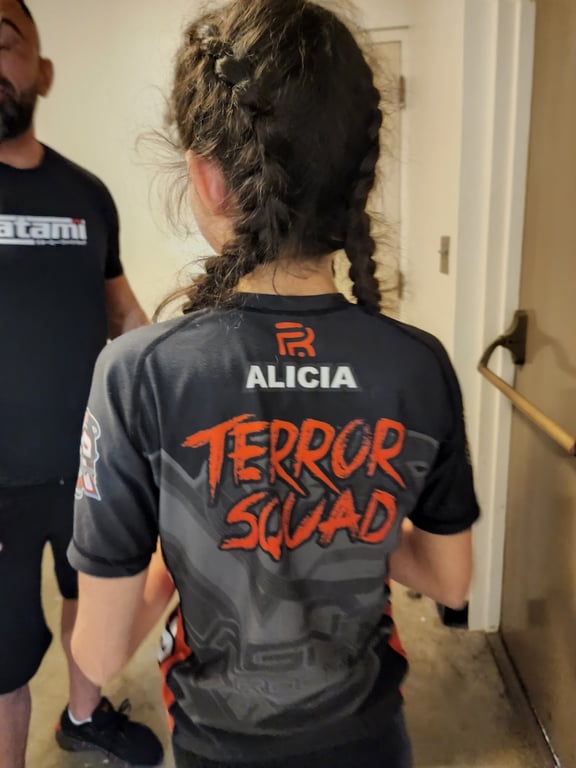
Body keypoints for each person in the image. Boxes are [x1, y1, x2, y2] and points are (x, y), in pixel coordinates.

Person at [68, 1, 480, 766]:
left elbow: (97, 652)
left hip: (219, 745)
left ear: (206, 177)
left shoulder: (137, 374)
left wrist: (184, 542)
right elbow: (450, 582)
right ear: (357, 179)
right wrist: (347, 514)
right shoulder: (418, 365)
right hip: (371, 738)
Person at [0, 1, 164, 766]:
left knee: (89, 602)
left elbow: (122, 311)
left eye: (5, 42)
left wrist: (179, 381)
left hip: (90, 468)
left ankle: (83, 718)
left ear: (43, 71)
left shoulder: (87, 195)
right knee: (3, 662)